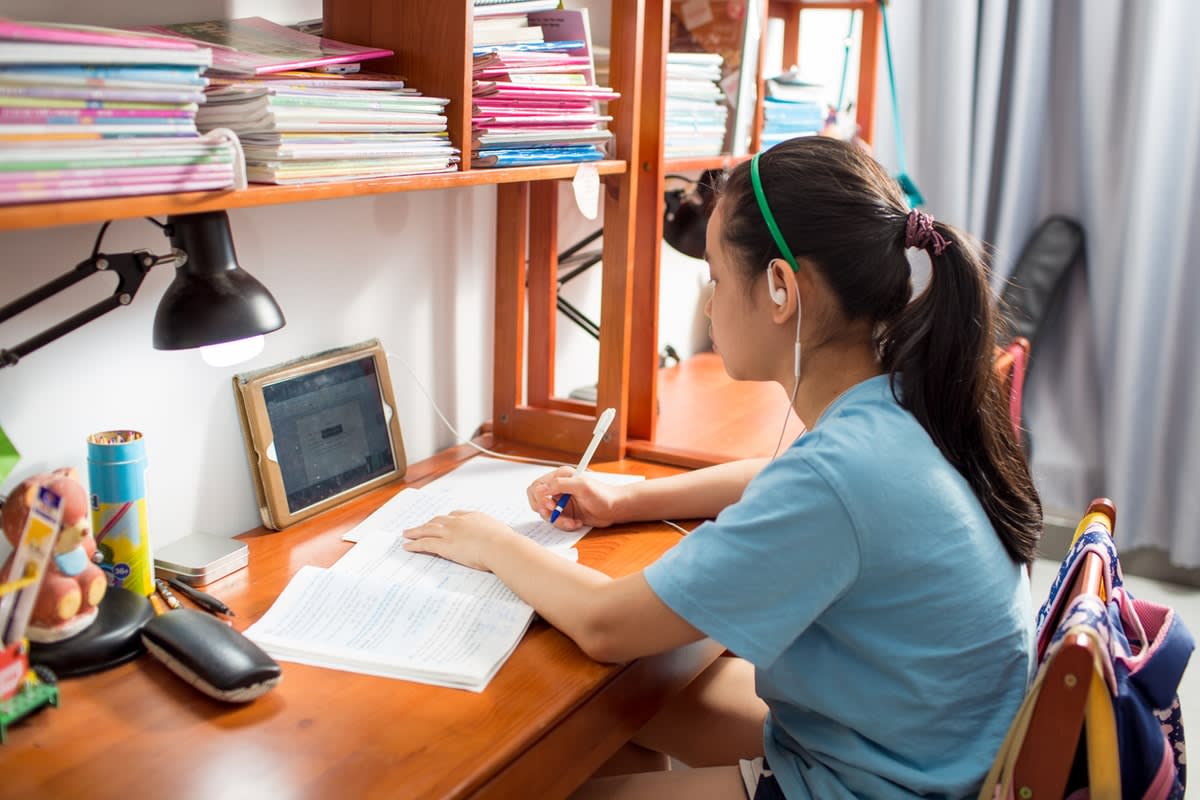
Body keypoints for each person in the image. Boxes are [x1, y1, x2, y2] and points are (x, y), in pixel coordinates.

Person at [403, 136, 1043, 799]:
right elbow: (774, 483)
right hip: (921, 746)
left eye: (714, 275)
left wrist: (490, 542)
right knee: (632, 707)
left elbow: (606, 624)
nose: (709, 304)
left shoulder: (840, 474)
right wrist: (625, 502)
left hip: (883, 783)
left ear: (780, 288)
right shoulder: (901, 403)